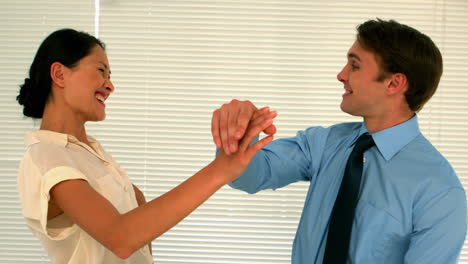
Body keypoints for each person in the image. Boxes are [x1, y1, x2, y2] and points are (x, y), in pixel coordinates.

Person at [211, 19, 467, 263]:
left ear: (393, 82)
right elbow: (249, 176)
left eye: (354, 66)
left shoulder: (440, 191)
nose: (341, 75)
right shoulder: (325, 143)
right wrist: (242, 130)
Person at [16, 28, 277, 264]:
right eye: (100, 70)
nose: (110, 85)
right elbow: (121, 237)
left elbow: (139, 239)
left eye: (110, 75)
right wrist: (219, 171)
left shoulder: (93, 155)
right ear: (59, 74)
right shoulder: (46, 155)